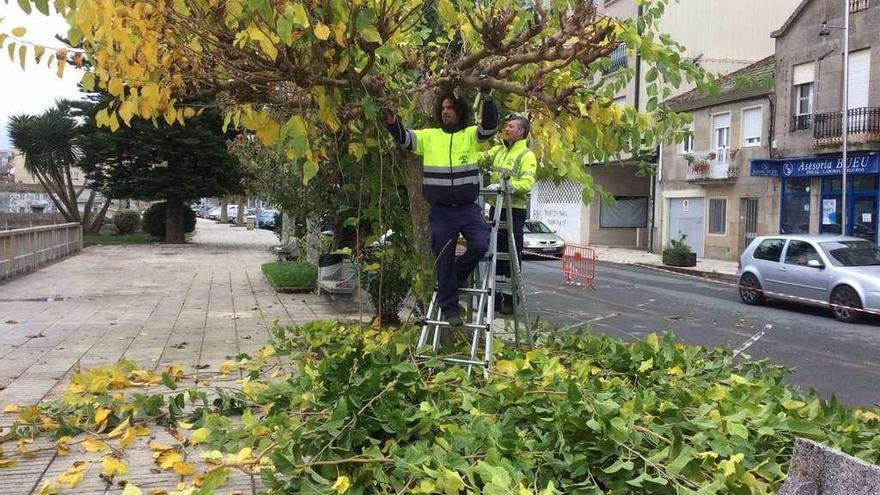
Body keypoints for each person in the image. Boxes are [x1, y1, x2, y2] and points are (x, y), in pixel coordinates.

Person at [384, 88, 499, 327]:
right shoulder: (430, 136)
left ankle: (453, 279)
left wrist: (487, 99)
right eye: (443, 108)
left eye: (450, 108)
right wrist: (392, 122)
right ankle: (449, 308)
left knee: (480, 245)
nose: (446, 112)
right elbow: (405, 138)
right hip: (442, 211)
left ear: (459, 111)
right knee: (443, 256)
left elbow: (489, 127)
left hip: (468, 209)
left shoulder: (469, 135)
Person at [481, 115, 537, 314]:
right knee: (495, 253)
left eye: (511, 126)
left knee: (511, 255)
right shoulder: (500, 150)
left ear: (520, 131)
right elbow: (480, 158)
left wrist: (506, 187)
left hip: (514, 211)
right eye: (506, 125)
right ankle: (495, 297)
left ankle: (511, 300)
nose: (506, 129)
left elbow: (528, 184)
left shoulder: (526, 155)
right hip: (497, 208)